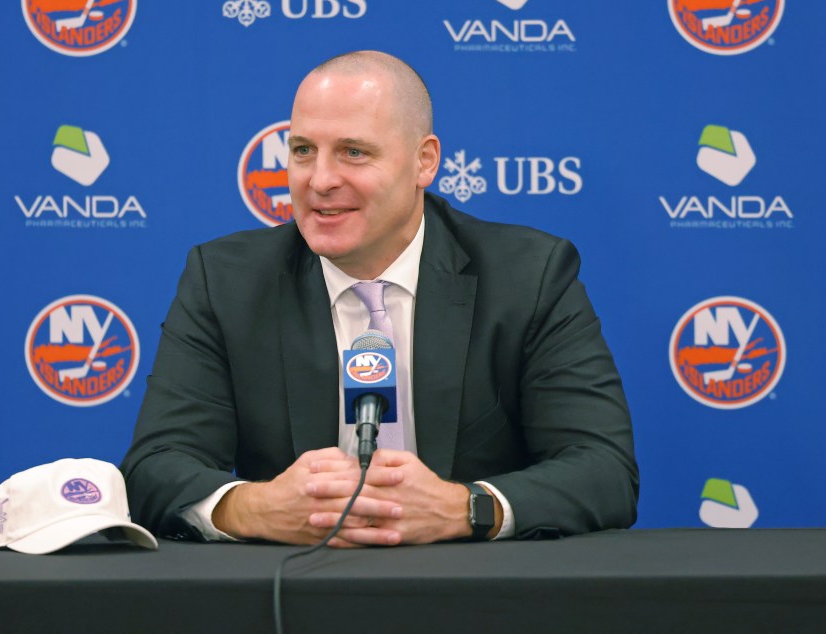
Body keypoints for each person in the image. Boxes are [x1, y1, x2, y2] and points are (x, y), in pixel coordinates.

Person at [121, 50, 638, 546]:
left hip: (476, 587)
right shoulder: (226, 281)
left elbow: (604, 470)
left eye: (354, 152)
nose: (321, 180)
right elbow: (154, 468)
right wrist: (255, 507)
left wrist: (464, 508)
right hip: (294, 585)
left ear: (424, 162)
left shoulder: (527, 276)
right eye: (303, 151)